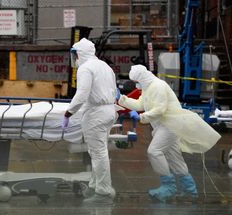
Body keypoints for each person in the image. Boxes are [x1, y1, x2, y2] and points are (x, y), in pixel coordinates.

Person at [118, 64, 221, 202]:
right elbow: (140, 104)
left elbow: (160, 109)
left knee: (154, 151)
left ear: (142, 78)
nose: (137, 85)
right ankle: (190, 191)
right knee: (174, 159)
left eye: (137, 82)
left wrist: (142, 117)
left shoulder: (158, 86)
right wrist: (122, 99)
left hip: (170, 125)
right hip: (164, 126)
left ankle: (168, 186)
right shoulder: (148, 88)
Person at [62, 38, 118, 204]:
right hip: (109, 111)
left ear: (80, 53)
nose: (74, 59)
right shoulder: (105, 66)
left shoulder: (86, 68)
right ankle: (95, 186)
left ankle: (103, 192)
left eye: (75, 55)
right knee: (98, 152)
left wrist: (68, 113)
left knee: (98, 153)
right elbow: (114, 91)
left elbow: (82, 94)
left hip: (96, 114)